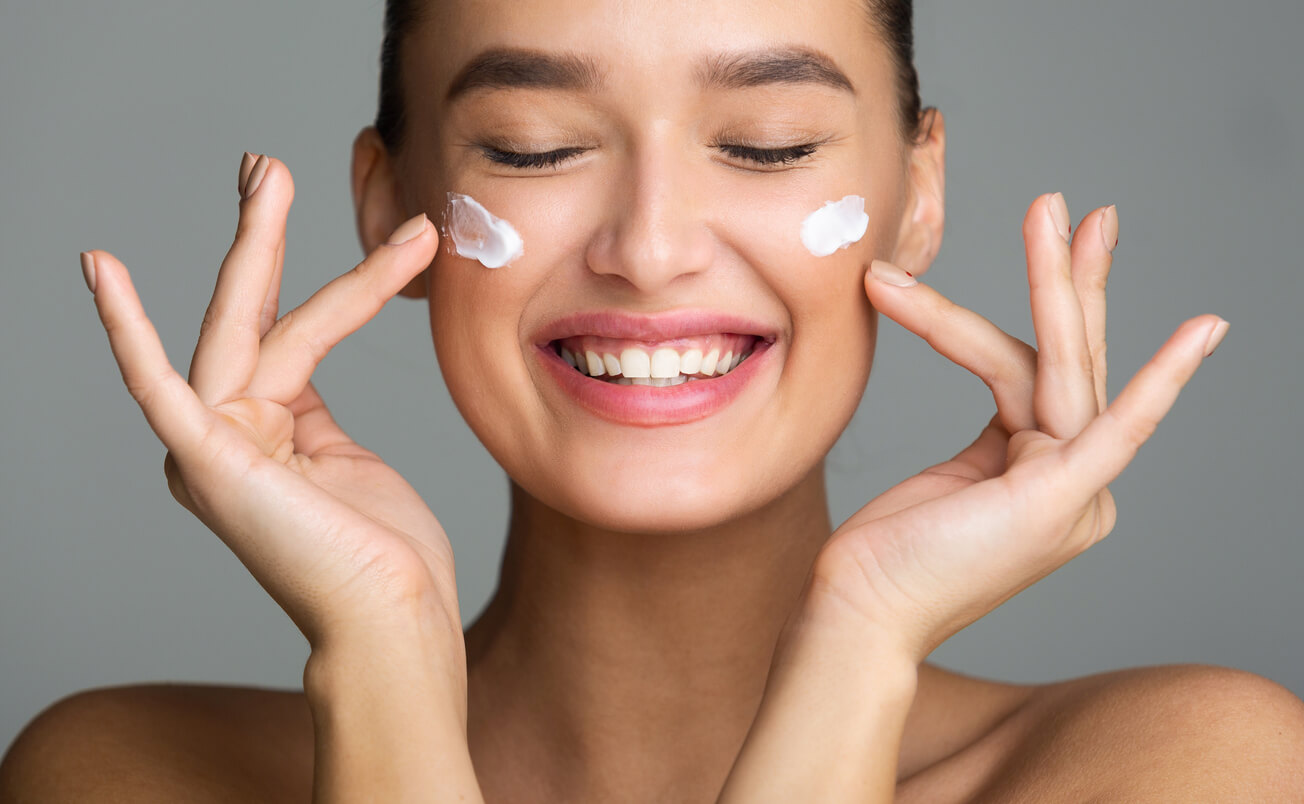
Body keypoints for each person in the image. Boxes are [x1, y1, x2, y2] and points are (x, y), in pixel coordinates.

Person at [3, 0, 1302, 800]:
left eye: (768, 144)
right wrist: (383, 664)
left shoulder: (1193, 773)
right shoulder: (119, 778)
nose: (651, 244)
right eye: (533, 147)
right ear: (389, 204)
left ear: (919, 197)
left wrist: (864, 642)